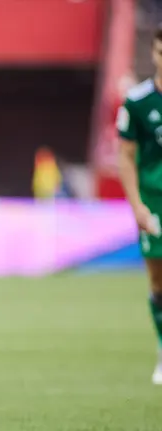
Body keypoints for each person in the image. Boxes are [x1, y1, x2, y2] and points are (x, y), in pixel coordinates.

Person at [116, 24, 162, 386]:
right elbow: (126, 157)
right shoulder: (138, 101)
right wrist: (137, 206)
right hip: (153, 201)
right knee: (158, 281)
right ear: (154, 53)